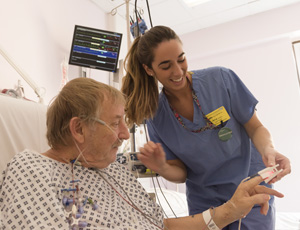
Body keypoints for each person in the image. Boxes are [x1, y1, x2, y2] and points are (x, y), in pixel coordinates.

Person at [0, 78, 283, 230]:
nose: (125, 134)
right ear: (79, 129)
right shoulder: (32, 170)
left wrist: (228, 211)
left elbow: (159, 226)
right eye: (114, 123)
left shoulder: (111, 169)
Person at [121, 25, 291, 229]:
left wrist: (268, 149)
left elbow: (255, 128)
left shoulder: (221, 79)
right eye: (166, 66)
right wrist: (163, 167)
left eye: (181, 59)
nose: (177, 71)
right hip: (205, 203)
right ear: (149, 69)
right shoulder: (155, 115)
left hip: (250, 188)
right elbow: (181, 173)